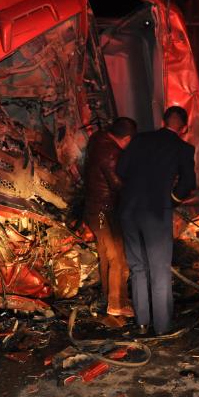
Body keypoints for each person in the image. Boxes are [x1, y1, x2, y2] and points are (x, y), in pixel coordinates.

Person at [116, 106, 197, 336]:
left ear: (162, 121)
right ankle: (162, 328)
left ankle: (142, 323)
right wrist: (171, 199)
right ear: (184, 127)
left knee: (138, 267)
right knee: (160, 269)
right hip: (156, 213)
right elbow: (188, 182)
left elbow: (121, 169)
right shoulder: (183, 148)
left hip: (129, 211)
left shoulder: (140, 139)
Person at [83, 117, 138, 317]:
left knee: (107, 256)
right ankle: (116, 304)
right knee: (118, 257)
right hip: (103, 210)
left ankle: (112, 297)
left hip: (95, 208)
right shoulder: (111, 152)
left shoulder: (98, 139)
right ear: (127, 138)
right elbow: (118, 184)